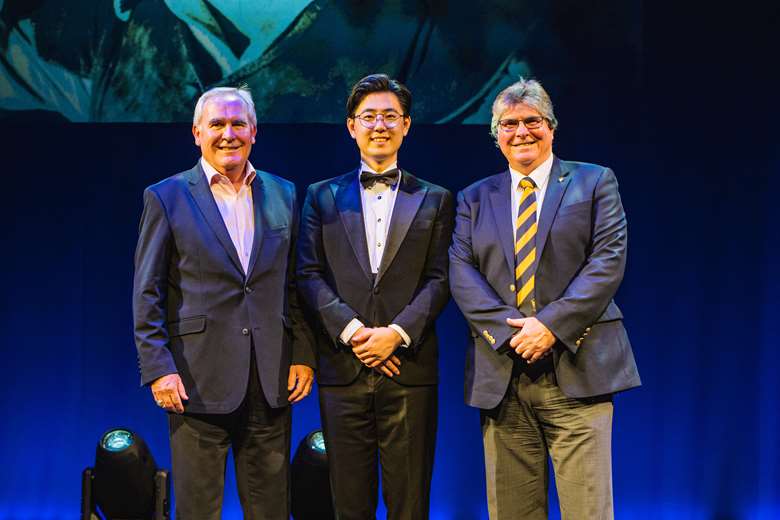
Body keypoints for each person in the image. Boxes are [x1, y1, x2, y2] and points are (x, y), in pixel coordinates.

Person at [449, 78, 641, 519]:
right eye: (509, 124)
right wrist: (511, 333)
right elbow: (461, 273)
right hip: (504, 377)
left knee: (587, 510)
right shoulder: (474, 198)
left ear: (551, 127)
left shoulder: (594, 181)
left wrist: (550, 326)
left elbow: (608, 260)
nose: (521, 132)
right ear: (496, 135)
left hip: (578, 371)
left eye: (532, 121)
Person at [132, 86, 315, 519]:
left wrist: (304, 355)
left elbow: (294, 284)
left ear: (254, 131)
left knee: (271, 510)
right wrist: (158, 368)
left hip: (270, 380)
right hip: (195, 380)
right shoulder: (167, 196)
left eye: (238, 123)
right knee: (198, 511)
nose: (228, 133)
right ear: (197, 132)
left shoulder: (284, 193)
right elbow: (147, 290)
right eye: (217, 124)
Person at [296, 74, 453, 519]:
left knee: (410, 503)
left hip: (409, 368)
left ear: (406, 125)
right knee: (349, 502)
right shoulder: (321, 196)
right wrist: (355, 333)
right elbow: (307, 274)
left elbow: (441, 278)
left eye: (390, 116)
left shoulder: (436, 199)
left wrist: (397, 334)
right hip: (343, 369)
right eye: (369, 117)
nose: (379, 125)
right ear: (351, 126)